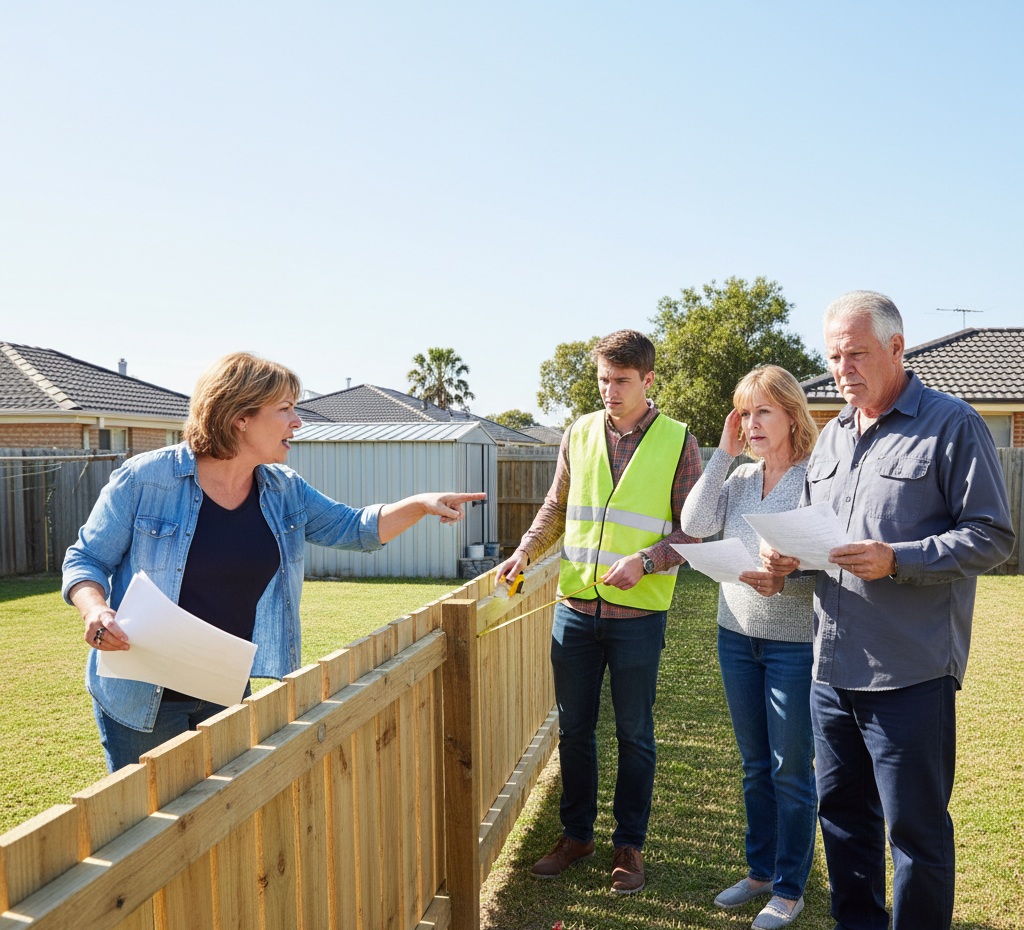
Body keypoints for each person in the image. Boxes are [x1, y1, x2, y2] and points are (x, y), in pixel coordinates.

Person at [63, 352, 485, 773]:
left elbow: (355, 528)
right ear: (239, 417)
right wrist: (95, 610)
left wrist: (421, 504)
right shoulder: (145, 479)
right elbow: (85, 560)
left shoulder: (284, 489)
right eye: (284, 410)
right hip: (141, 698)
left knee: (224, 824)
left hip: (222, 687)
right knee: (151, 829)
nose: (297, 421)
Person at [763, 291, 1014, 930]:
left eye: (856, 354)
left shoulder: (952, 424)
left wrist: (897, 558)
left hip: (910, 671)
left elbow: (992, 535)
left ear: (897, 348)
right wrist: (794, 558)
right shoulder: (833, 439)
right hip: (831, 666)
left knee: (916, 836)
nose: (842, 369)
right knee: (843, 823)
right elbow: (827, 538)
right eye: (833, 356)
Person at [495, 329, 702, 895]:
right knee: (575, 730)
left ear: (648, 380)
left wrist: (648, 560)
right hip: (575, 610)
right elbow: (557, 506)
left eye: (621, 381)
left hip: (638, 618)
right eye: (603, 380)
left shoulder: (679, 441)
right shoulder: (579, 433)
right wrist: (524, 551)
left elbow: (696, 530)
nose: (609, 391)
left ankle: (629, 845)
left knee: (635, 733)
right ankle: (576, 835)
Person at [680, 365, 818, 930]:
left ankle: (789, 888)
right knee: (755, 765)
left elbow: (828, 558)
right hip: (735, 636)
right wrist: (723, 452)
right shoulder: (738, 480)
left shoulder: (815, 479)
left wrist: (790, 572)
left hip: (792, 644)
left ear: (791, 414)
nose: (753, 423)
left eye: (764, 411)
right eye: (745, 412)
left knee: (790, 769)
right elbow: (693, 522)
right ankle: (760, 872)